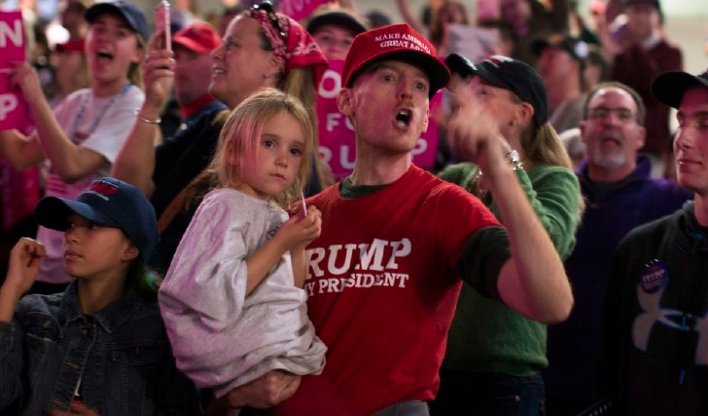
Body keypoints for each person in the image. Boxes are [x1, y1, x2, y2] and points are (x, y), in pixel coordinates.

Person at [227, 22, 573, 415]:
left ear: (425, 119)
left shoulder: (446, 207)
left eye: (421, 86)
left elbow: (551, 303)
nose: (407, 91)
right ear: (346, 101)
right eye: (388, 77)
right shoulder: (301, 217)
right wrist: (236, 395)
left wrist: (497, 166)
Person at [111, 1, 329, 277]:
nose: (216, 54)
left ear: (272, 64)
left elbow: (262, 282)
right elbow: (127, 192)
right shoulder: (213, 124)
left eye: (232, 45)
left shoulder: (290, 166)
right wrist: (151, 103)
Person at [431, 54, 582, 416]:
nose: (466, 102)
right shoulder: (457, 177)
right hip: (439, 373)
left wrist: (504, 160)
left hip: (505, 382)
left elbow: (549, 246)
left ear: (522, 113)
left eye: (482, 93)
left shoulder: (555, 178)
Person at [159, 88, 327, 404]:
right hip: (227, 346)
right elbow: (214, 295)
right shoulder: (225, 205)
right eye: (269, 143)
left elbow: (291, 290)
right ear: (235, 151)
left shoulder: (277, 214)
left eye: (294, 151)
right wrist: (282, 241)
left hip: (269, 349)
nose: (283, 159)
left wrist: (298, 245)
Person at [543, 81, 691, 415]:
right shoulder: (553, 194)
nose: (610, 122)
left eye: (623, 115)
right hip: (547, 376)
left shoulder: (672, 203)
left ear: (640, 135)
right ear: (583, 130)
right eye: (600, 113)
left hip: (627, 386)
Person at [0, 177, 201, 415]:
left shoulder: (162, 332)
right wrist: (11, 289)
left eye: (92, 226)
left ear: (130, 249)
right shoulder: (32, 312)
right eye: (70, 224)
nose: (72, 236)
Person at [0, 0, 147, 294]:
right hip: (46, 261)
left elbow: (72, 166)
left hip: (85, 274)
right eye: (98, 29)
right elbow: (21, 155)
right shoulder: (77, 101)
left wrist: (34, 97)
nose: (105, 38)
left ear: (137, 53)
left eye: (120, 33)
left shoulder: (133, 104)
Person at [603, 68, 708, 415]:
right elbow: (613, 375)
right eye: (682, 120)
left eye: (705, 123)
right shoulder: (641, 247)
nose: (683, 139)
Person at [610, 0, 682, 177]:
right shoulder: (621, 56)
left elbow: (657, 90)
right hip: (618, 143)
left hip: (651, 146)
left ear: (657, 17)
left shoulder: (670, 53)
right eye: (635, 10)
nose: (640, 17)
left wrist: (634, 46)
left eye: (646, 11)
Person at [158, 20, 227, 139]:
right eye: (176, 57)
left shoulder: (216, 121)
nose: (180, 66)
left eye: (192, 57)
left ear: (216, 63)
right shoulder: (171, 112)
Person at [531, 34, 590, 134]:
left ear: (574, 64)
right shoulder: (536, 109)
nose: (542, 63)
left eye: (551, 56)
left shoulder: (585, 112)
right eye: (541, 57)